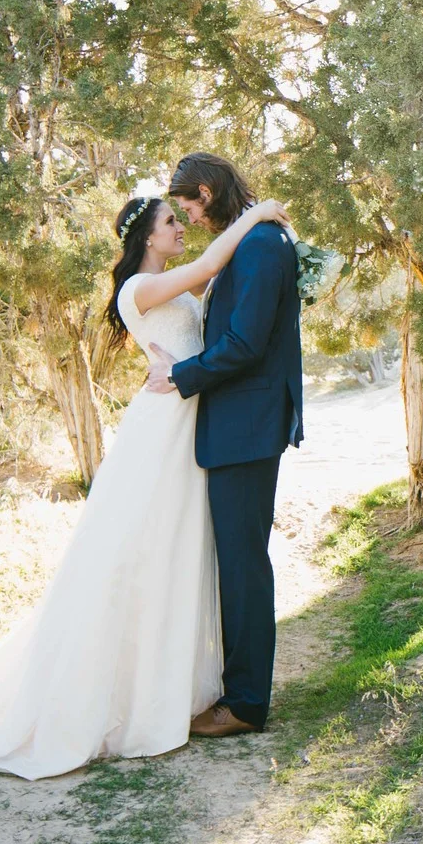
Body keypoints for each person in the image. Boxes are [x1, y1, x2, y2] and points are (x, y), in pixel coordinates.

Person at [0, 188, 288, 775]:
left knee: (177, 552)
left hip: (190, 425)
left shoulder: (173, 282)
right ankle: (115, 691)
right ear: (148, 236)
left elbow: (224, 292)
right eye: (172, 221)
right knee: (133, 552)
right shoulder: (140, 288)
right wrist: (255, 216)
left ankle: (173, 685)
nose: (181, 228)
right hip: (162, 427)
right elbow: (209, 266)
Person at [142, 150, 304, 738]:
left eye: (187, 205)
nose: (188, 217)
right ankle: (238, 690)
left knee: (243, 566)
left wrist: (180, 378)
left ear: (207, 192)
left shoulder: (261, 246)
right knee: (238, 560)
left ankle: (245, 705)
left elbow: (243, 345)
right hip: (239, 421)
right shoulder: (253, 241)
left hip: (247, 422)